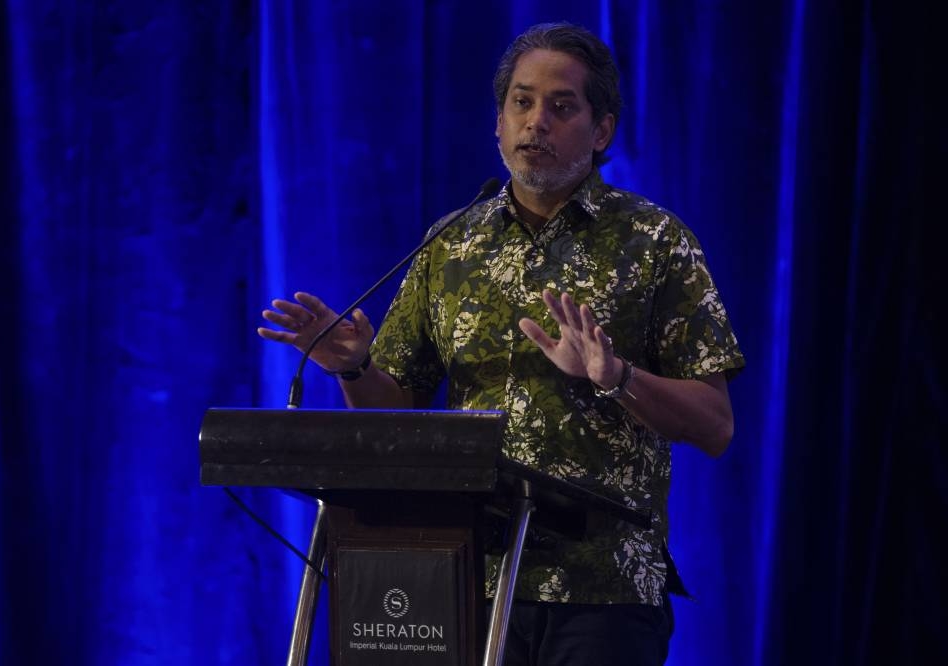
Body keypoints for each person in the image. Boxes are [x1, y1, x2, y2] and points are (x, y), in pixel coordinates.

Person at [258, 22, 744, 666]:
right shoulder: (452, 242)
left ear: (602, 132)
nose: (535, 122)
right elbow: (395, 405)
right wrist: (354, 367)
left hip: (601, 590)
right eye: (521, 101)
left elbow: (715, 425)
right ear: (497, 121)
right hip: (463, 576)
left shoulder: (655, 243)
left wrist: (617, 376)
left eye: (561, 106)